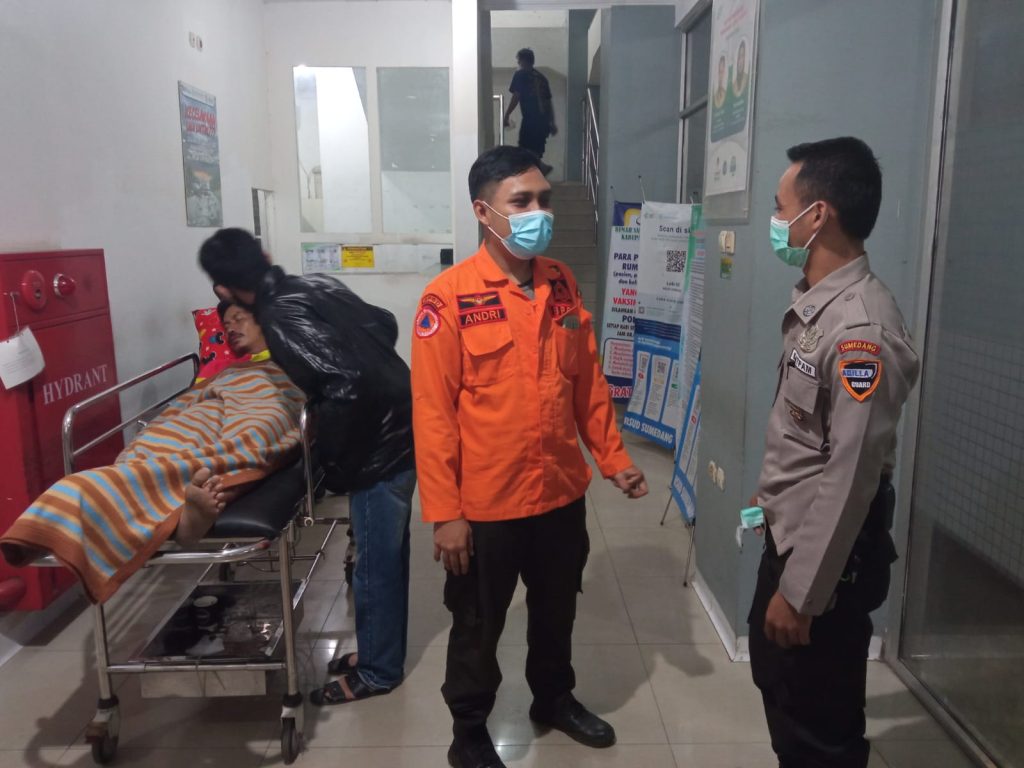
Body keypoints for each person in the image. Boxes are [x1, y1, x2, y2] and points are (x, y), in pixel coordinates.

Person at [411, 146, 649, 768]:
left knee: (556, 611)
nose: (538, 212)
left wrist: (613, 458)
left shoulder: (560, 282)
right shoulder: (448, 298)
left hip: (559, 493)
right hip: (485, 505)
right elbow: (432, 415)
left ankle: (554, 698)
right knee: (477, 625)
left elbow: (586, 383)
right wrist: (445, 513)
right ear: (483, 212)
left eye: (544, 200)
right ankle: (469, 732)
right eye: (522, 202)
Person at [748, 137, 920, 768]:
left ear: (817, 215)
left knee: (818, 730)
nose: (775, 220)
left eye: (780, 206)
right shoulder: (819, 305)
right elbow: (807, 435)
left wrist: (801, 594)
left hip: (825, 565)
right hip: (792, 537)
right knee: (781, 689)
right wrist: (769, 494)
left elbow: (850, 476)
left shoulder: (860, 331)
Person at [198, 229, 416, 705]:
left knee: (375, 565)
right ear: (265, 255)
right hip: (402, 422)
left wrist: (330, 464)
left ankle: (378, 672)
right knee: (387, 555)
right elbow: (383, 322)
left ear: (223, 288)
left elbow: (345, 386)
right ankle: (378, 653)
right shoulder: (316, 284)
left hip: (378, 445)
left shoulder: (279, 316)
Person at [0, 301, 305, 602]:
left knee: (250, 436)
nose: (231, 328)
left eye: (239, 318)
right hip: (207, 407)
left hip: (266, 400)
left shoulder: (294, 362)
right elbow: (188, 400)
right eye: (226, 325)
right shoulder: (225, 370)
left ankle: (183, 507)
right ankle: (174, 506)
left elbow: (292, 400)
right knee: (158, 439)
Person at [503, 48, 557, 175]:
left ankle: (540, 169)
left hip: (530, 120)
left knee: (524, 149)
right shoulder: (542, 78)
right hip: (543, 121)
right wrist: (552, 122)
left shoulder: (520, 75)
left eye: (518, 60)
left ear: (523, 60)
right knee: (535, 150)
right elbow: (548, 102)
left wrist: (507, 114)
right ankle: (540, 169)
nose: (518, 63)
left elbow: (516, 96)